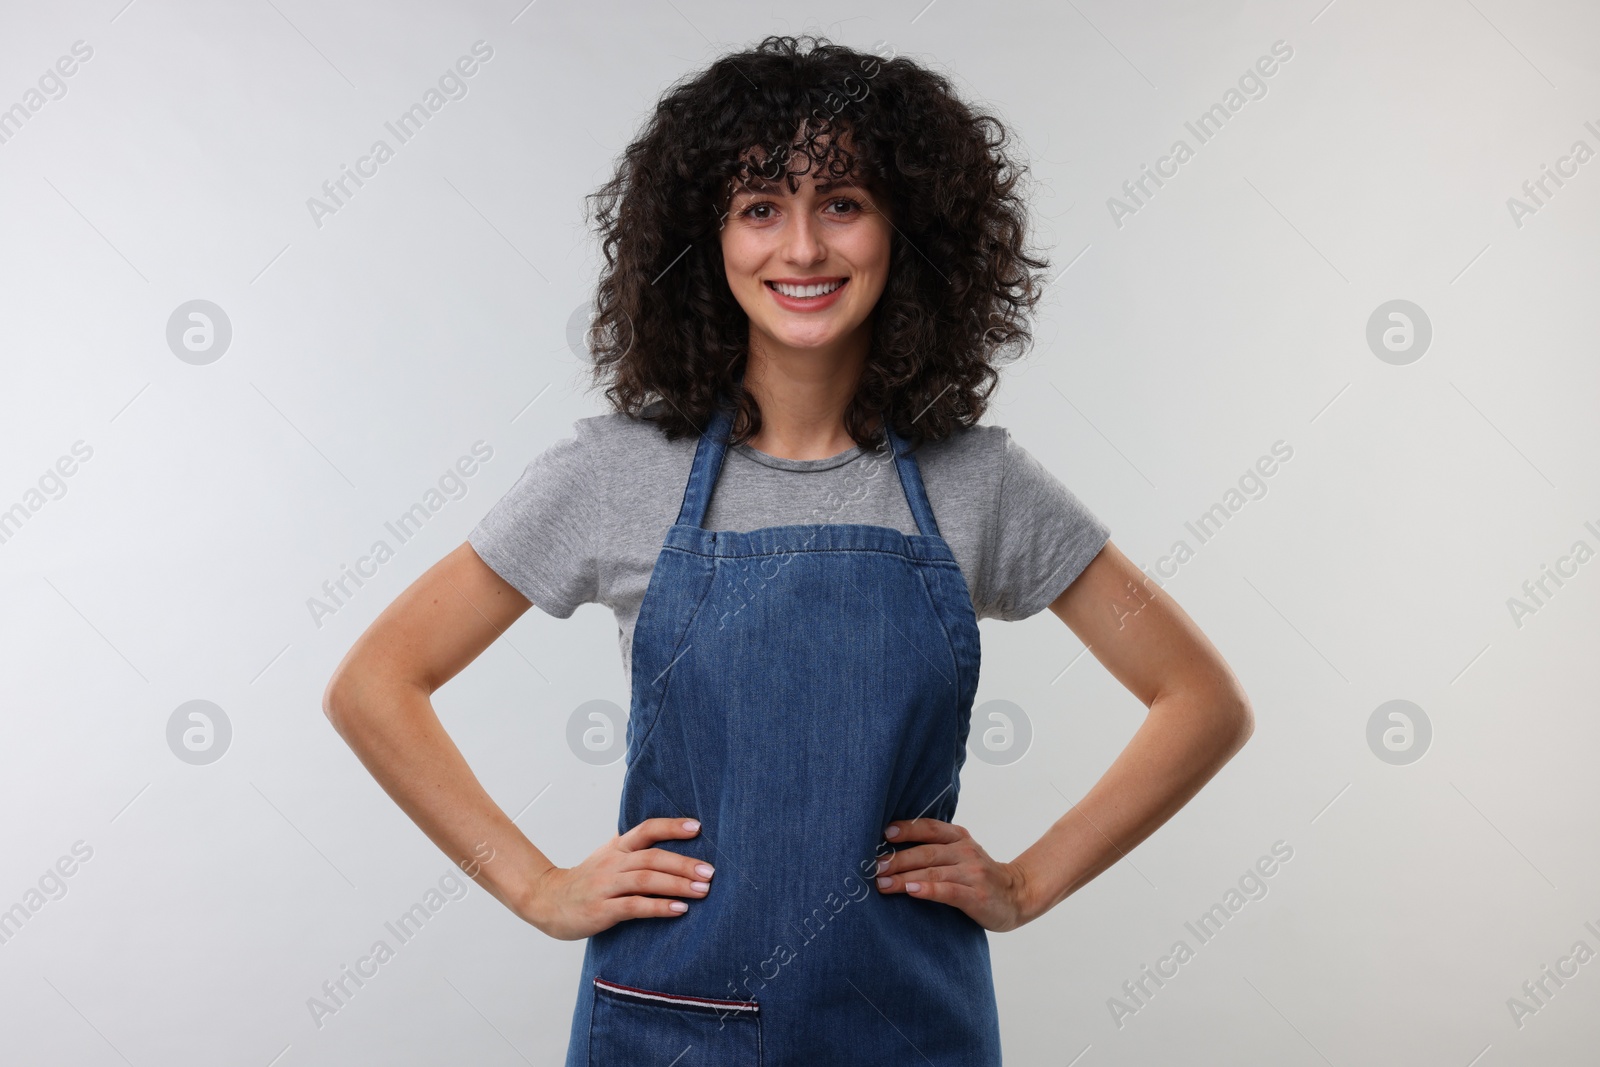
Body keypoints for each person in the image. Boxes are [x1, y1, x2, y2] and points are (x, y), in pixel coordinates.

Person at [323, 35, 1254, 1065]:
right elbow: (377, 681)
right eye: (760, 207)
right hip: (667, 1017)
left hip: (909, 1024)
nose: (802, 249)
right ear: (705, 239)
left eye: (843, 202)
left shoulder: (976, 482)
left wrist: (1027, 882)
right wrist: (536, 886)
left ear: (909, 231)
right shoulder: (615, 474)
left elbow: (1200, 700)